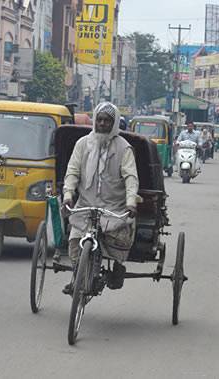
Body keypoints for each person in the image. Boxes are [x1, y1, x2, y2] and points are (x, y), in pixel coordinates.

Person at [62, 102, 139, 293]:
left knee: (119, 240)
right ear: (95, 121)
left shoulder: (124, 148)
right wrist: (68, 194)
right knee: (74, 242)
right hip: (85, 206)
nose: (103, 124)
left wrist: (131, 202)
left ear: (113, 124)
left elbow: (131, 177)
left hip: (114, 208)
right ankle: (77, 277)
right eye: (100, 120)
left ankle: (117, 268)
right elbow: (72, 171)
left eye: (107, 121)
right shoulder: (82, 145)